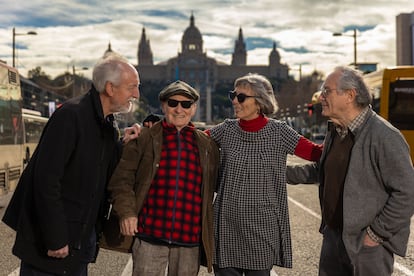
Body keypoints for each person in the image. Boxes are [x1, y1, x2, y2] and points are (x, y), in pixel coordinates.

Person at [2, 55, 140, 276]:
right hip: (52, 244)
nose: (136, 94)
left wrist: (122, 144)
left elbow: (103, 172)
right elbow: (45, 181)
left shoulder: (106, 125)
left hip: (78, 243)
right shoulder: (70, 116)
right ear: (110, 88)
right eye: (132, 87)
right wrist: (55, 238)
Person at [286, 66, 414, 276]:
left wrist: (375, 235)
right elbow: (321, 171)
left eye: (327, 91)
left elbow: (407, 192)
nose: (321, 97)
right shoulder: (336, 131)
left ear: (350, 95)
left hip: (367, 245)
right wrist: (276, 172)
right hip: (333, 237)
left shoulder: (385, 136)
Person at [207, 73, 322, 275]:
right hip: (225, 226)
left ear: (260, 102)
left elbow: (316, 153)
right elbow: (191, 141)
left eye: (241, 97)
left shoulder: (279, 132)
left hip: (262, 228)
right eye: (233, 95)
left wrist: (350, 139)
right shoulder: (225, 129)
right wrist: (147, 132)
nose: (234, 100)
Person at [107, 80, 220, 275]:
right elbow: (121, 180)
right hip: (149, 236)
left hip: (189, 240)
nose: (179, 109)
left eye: (186, 104)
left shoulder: (207, 145)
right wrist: (127, 213)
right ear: (163, 106)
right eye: (173, 103)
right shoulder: (143, 137)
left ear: (193, 108)